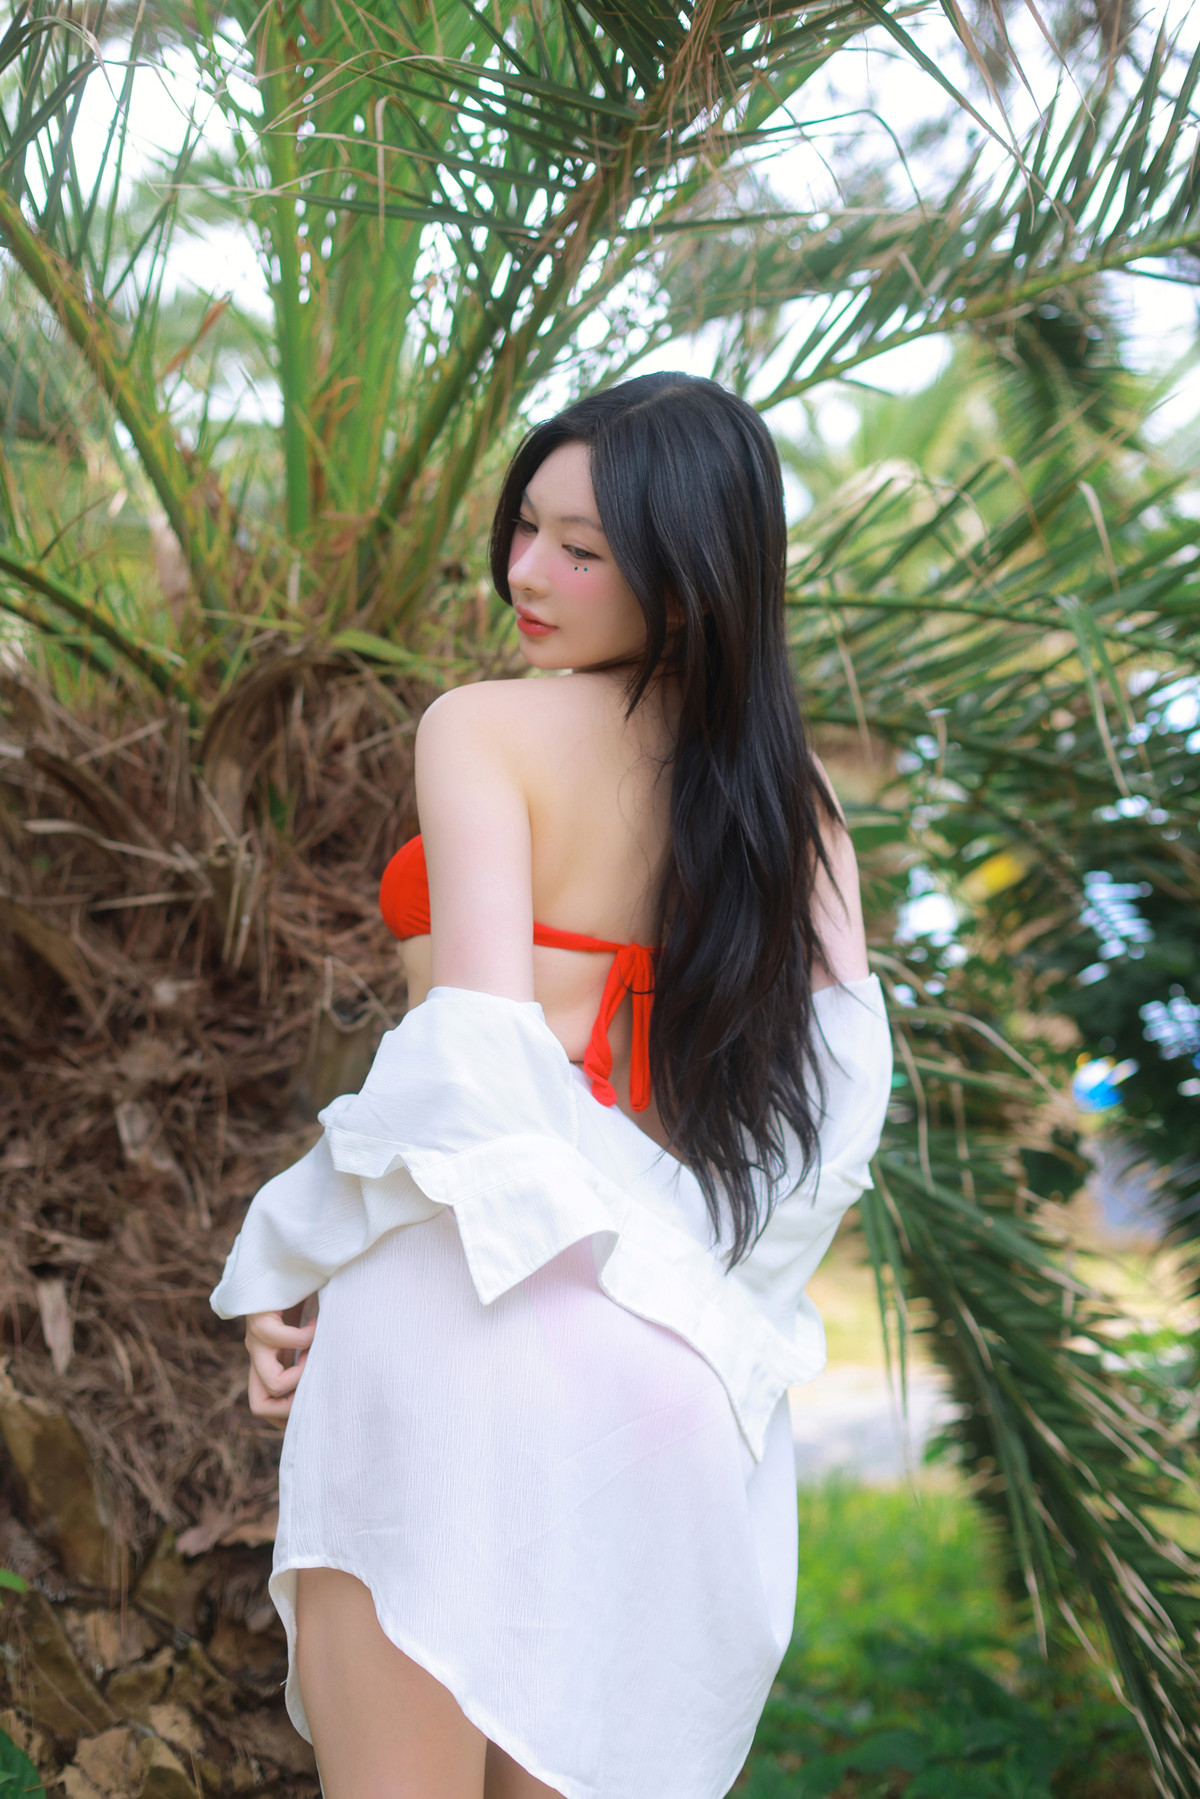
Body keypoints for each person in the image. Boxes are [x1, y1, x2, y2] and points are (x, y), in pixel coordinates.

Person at [210, 373, 892, 1799]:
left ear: (691, 579)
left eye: (582, 549)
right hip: (663, 1382)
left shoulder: (483, 728)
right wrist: (707, 1310)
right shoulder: (797, 806)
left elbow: (471, 1064)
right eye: (526, 528)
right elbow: (839, 1117)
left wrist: (295, 1252)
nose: (527, 572)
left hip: (458, 1320)